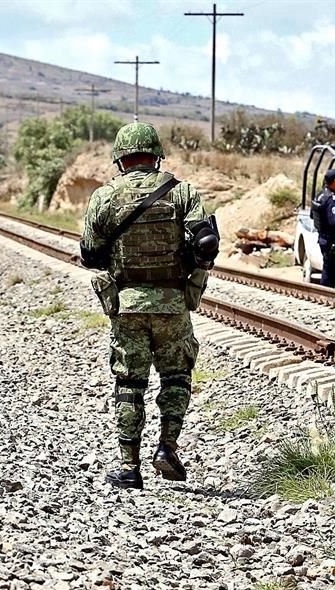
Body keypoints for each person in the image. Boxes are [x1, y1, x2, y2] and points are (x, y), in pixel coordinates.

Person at [80, 122, 220, 490]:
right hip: (173, 304)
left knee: (129, 383)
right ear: (157, 156)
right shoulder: (182, 192)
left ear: (120, 159)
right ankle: (167, 448)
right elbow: (206, 243)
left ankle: (129, 467)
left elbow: (90, 256)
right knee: (176, 377)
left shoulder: (105, 196)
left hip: (127, 305)